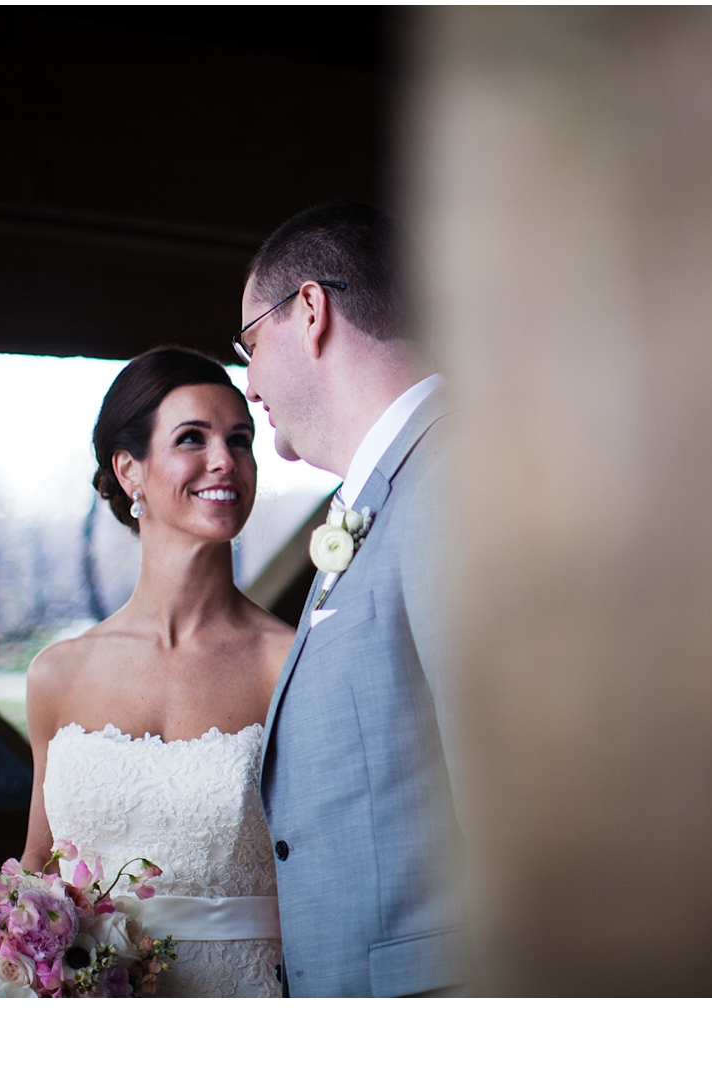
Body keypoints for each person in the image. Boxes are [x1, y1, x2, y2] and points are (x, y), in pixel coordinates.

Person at [235, 201, 469, 996]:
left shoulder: (453, 483)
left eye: (249, 342)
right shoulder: (393, 490)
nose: (250, 381)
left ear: (310, 310)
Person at [20, 346, 294, 997]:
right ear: (129, 469)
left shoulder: (287, 662)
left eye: (241, 439)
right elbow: (36, 867)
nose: (225, 460)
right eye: (192, 438)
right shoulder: (57, 674)